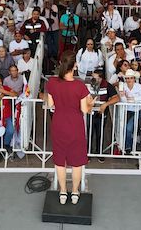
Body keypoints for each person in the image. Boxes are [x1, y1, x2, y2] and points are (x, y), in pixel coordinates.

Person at [44, 51, 94, 205]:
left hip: (58, 124)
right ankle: (75, 192)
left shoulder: (51, 82)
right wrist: (91, 103)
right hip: (75, 126)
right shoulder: (80, 86)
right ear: (75, 65)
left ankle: (63, 191)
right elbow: (85, 110)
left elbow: (50, 104)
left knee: (60, 161)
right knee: (77, 162)